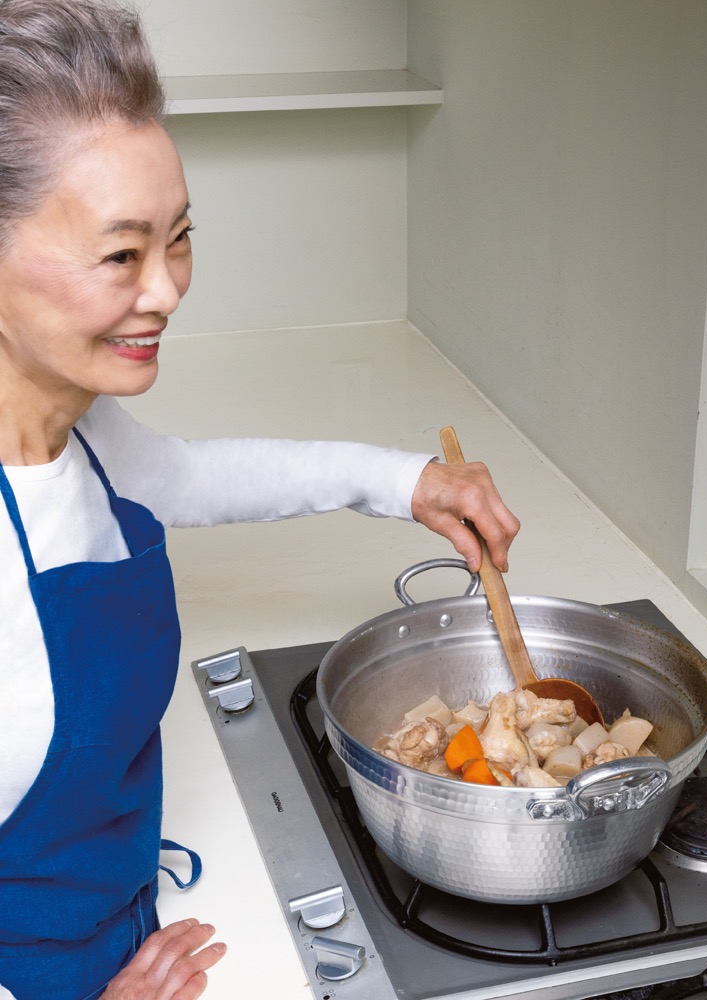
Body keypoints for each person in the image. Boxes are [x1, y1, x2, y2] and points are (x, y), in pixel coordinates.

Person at [0, 1, 520, 997]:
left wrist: (407, 477)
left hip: (119, 920)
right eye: (120, 254)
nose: (166, 290)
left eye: (180, 238)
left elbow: (193, 478)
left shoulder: (76, 432)